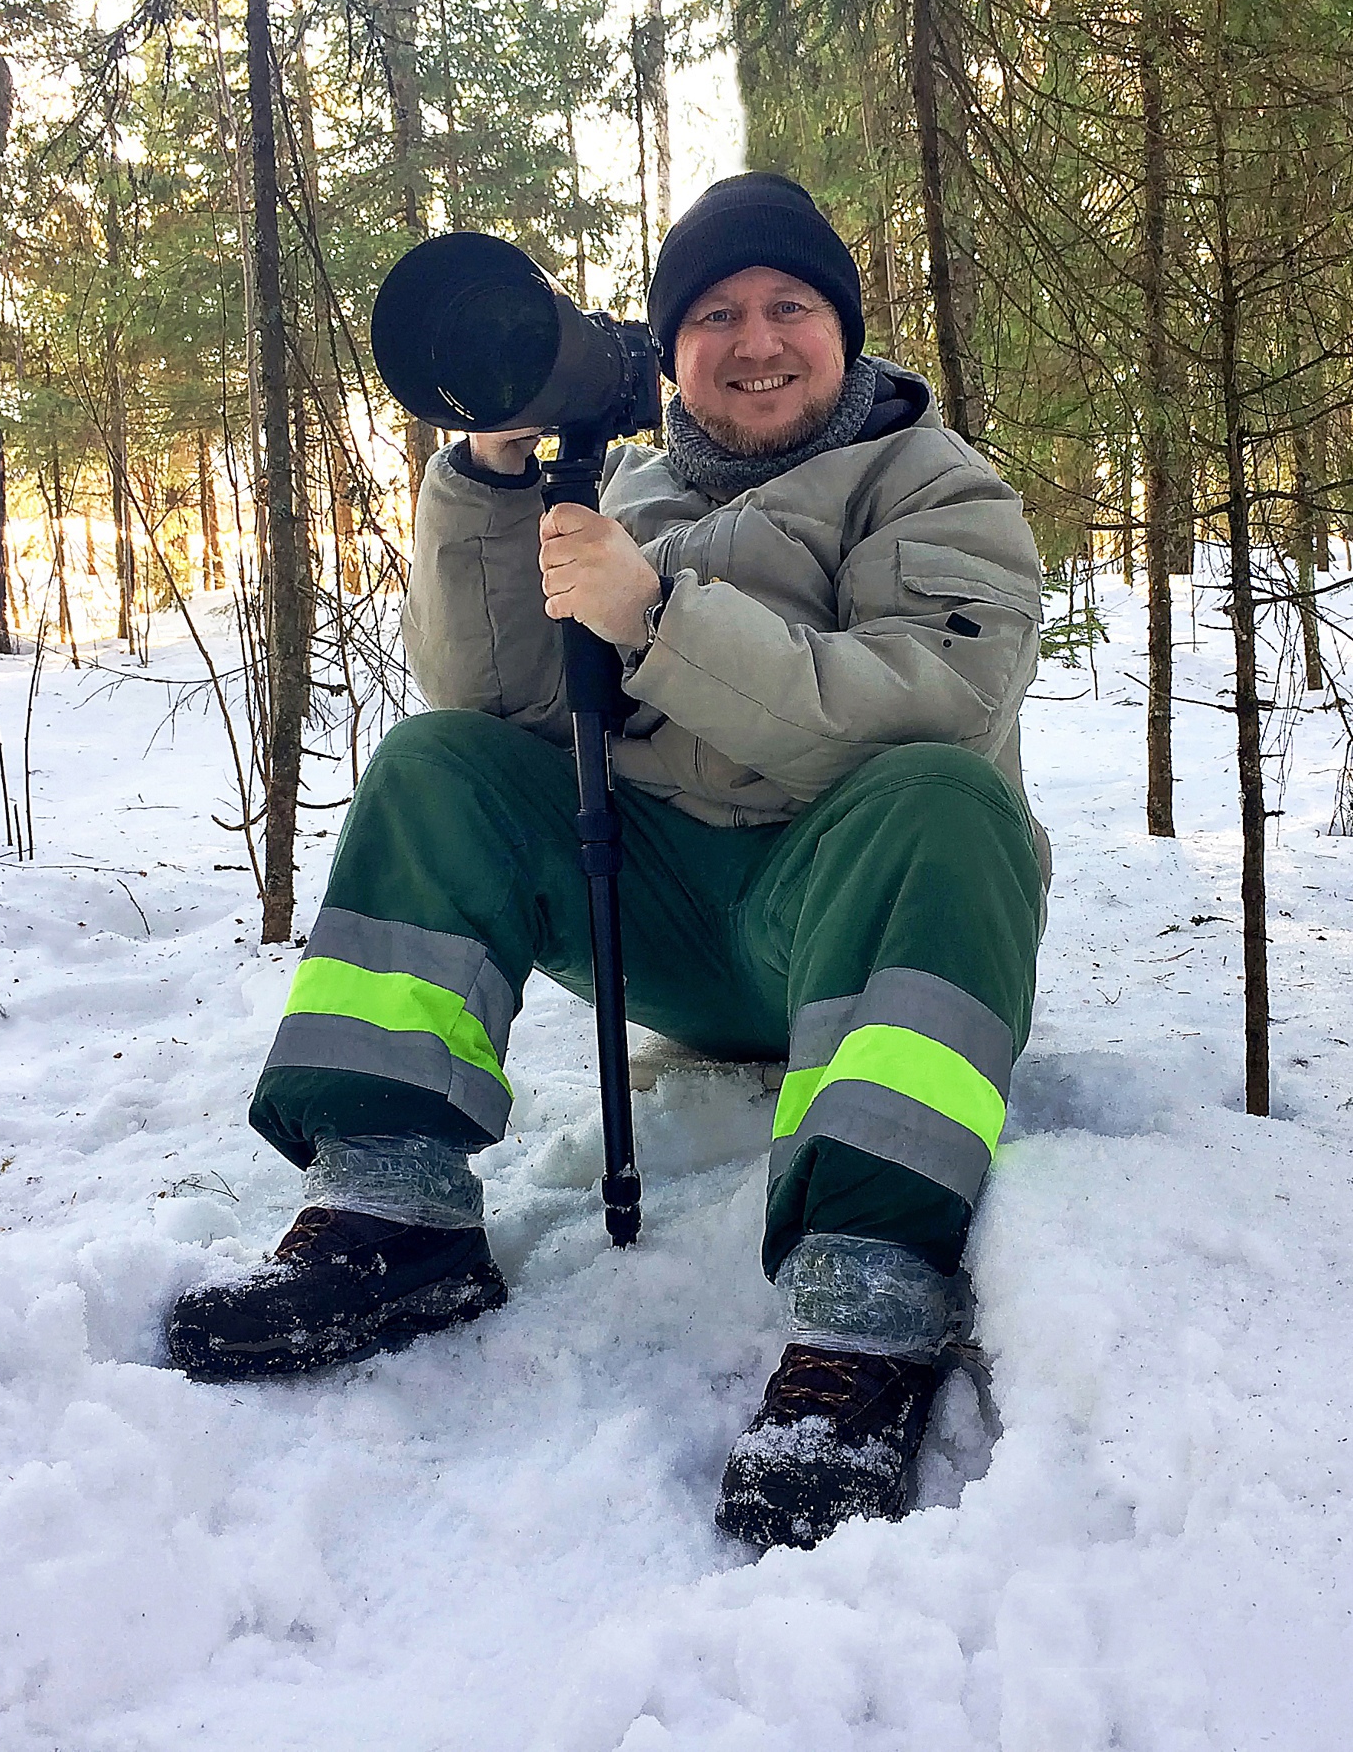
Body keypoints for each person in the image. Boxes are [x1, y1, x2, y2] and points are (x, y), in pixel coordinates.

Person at [166, 173, 1047, 1551]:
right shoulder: (627, 490)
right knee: (439, 765)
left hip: (864, 924)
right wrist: (490, 479)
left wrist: (659, 618)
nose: (756, 342)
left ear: (845, 329)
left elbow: (924, 704)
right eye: (715, 317)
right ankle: (393, 1209)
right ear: (672, 351)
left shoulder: (936, 487)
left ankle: (868, 1301)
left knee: (942, 795)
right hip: (663, 923)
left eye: (789, 306)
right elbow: (494, 697)